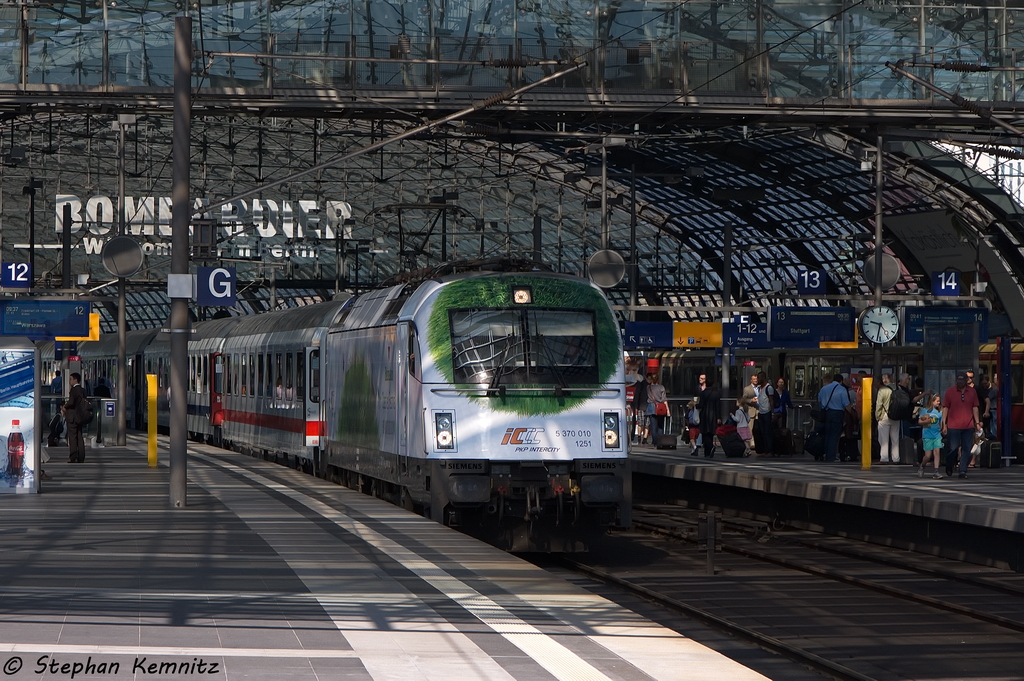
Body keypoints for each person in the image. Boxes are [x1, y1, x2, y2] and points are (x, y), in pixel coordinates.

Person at [941, 371, 980, 479]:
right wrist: (944, 424)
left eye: (962, 381)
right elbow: (945, 408)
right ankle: (949, 463)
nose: (960, 383)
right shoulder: (950, 391)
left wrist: (977, 423)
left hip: (968, 425)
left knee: (967, 449)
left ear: (966, 381)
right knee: (953, 448)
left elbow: (975, 407)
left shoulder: (972, 392)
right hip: (953, 425)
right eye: (958, 381)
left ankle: (962, 470)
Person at [819, 373, 851, 462]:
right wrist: (852, 413)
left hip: (827, 413)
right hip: (837, 413)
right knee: (834, 435)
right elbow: (846, 404)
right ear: (841, 381)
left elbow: (819, 400)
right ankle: (831, 456)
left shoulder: (824, 389)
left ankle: (826, 454)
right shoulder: (842, 389)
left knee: (828, 435)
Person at [874, 373, 901, 464]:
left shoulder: (882, 390)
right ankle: (896, 458)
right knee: (895, 439)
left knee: (884, 439)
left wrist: (878, 416)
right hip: (896, 416)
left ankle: (884, 458)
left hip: (885, 416)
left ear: (884, 381)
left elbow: (879, 405)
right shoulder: (898, 388)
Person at [918, 392, 943, 479]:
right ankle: (922, 465)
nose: (938, 402)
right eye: (937, 401)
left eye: (939, 401)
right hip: (927, 435)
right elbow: (919, 421)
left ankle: (936, 471)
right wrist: (926, 421)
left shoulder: (939, 412)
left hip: (937, 435)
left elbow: (941, 423)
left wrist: (943, 429)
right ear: (932, 401)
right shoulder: (925, 411)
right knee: (928, 455)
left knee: (937, 452)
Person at [63, 372, 87, 463]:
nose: (70, 381)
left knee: (72, 437)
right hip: (80, 416)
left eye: (71, 379)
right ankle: (81, 456)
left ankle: (73, 456)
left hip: (72, 416)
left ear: (75, 380)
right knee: (79, 436)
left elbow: (71, 402)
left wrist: (65, 406)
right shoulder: (83, 390)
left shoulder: (74, 390)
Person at [697, 373, 721, 458]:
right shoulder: (716, 393)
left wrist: (696, 405)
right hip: (713, 415)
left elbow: (701, 405)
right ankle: (710, 448)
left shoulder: (703, 393)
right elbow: (718, 406)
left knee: (705, 433)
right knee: (711, 433)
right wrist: (718, 417)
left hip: (704, 415)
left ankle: (707, 450)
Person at [753, 371, 775, 456]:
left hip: (767, 412)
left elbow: (771, 401)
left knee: (768, 432)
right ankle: (765, 450)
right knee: (762, 432)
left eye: (759, 378)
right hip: (761, 412)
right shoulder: (759, 388)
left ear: (763, 378)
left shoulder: (768, 388)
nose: (757, 380)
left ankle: (770, 450)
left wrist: (772, 413)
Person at [646, 373, 668, 442]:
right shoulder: (661, 387)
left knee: (653, 426)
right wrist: (668, 410)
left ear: (651, 379)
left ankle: (655, 442)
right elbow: (664, 399)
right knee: (660, 425)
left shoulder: (648, 387)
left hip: (651, 406)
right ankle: (660, 441)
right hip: (660, 407)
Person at [632, 369, 650, 444]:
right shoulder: (651, 385)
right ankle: (645, 438)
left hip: (641, 406)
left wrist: (636, 406)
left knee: (640, 422)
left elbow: (637, 396)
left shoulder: (640, 385)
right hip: (648, 406)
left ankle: (639, 436)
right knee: (647, 423)